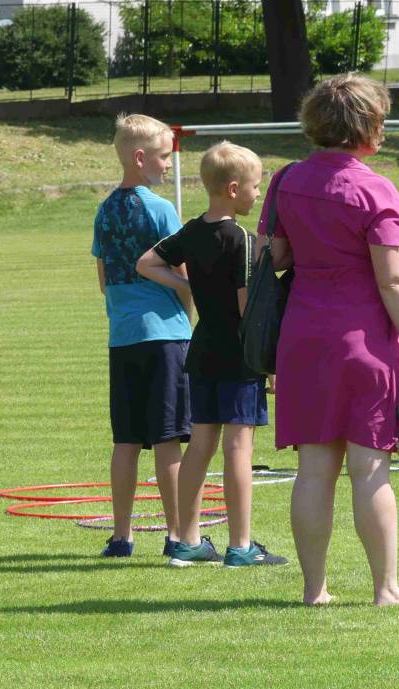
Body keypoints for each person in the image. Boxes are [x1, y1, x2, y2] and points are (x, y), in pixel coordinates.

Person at [257, 74, 399, 606]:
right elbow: (393, 280)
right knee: (369, 469)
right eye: (380, 120)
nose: (383, 130)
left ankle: (313, 590)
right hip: (363, 343)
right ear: (364, 126)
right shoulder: (376, 189)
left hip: (302, 338)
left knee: (313, 470)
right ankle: (386, 588)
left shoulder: (286, 180)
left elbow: (273, 256)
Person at [137, 142, 288, 568]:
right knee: (239, 448)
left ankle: (186, 541)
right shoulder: (242, 240)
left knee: (200, 446)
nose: (257, 195)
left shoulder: (191, 231)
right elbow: (247, 310)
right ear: (234, 188)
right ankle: (240, 546)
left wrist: (190, 286)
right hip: (239, 356)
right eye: (255, 187)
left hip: (201, 351)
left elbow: (146, 263)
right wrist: (271, 364)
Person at [91, 114, 192, 557]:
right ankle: (177, 535)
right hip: (166, 336)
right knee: (168, 439)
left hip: (123, 336)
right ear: (139, 157)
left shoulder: (104, 210)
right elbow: (183, 273)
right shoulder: (161, 209)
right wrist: (187, 314)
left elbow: (103, 279)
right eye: (164, 156)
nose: (168, 164)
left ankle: (121, 536)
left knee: (127, 440)